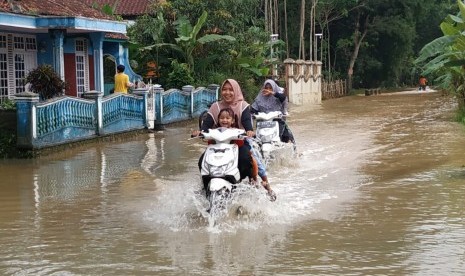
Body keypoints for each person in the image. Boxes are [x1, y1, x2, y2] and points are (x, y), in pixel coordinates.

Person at [193, 79, 276, 200]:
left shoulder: (243, 106)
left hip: (239, 142)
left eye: (231, 89)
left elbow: (247, 123)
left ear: (236, 91)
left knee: (250, 160)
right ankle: (205, 186)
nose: (227, 92)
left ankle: (265, 185)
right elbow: (206, 126)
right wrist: (199, 132)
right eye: (224, 89)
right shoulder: (215, 107)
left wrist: (249, 131)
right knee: (202, 161)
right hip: (218, 143)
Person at [251, 79, 295, 144]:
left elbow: (283, 98)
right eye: (266, 88)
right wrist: (253, 114)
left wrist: (272, 93)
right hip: (262, 123)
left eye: (270, 88)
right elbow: (253, 109)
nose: (268, 90)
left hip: (277, 121)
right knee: (255, 140)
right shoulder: (260, 97)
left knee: (286, 137)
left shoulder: (278, 96)